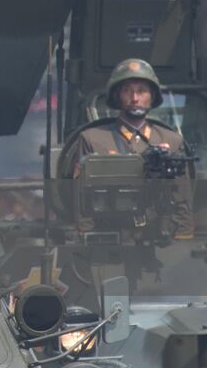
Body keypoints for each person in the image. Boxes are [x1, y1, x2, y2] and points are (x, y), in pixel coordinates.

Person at [67, 59, 193, 239]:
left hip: (158, 236)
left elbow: (182, 194)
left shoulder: (171, 141)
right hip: (109, 235)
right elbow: (81, 196)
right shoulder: (92, 139)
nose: (135, 98)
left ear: (152, 96)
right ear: (118, 95)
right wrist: (87, 235)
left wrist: (183, 234)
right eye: (127, 91)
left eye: (141, 91)